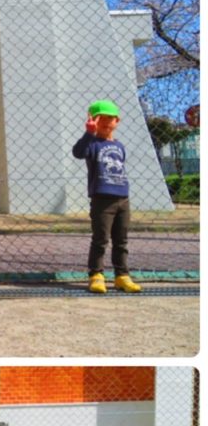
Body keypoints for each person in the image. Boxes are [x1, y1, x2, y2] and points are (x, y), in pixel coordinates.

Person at [72, 99, 141, 294]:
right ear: (92, 120)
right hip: (102, 200)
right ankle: (96, 275)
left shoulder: (120, 146)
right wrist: (89, 133)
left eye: (110, 118)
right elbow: (78, 153)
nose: (105, 122)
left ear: (117, 121)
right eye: (100, 118)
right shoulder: (92, 144)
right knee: (100, 240)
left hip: (123, 198)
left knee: (121, 241)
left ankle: (122, 276)